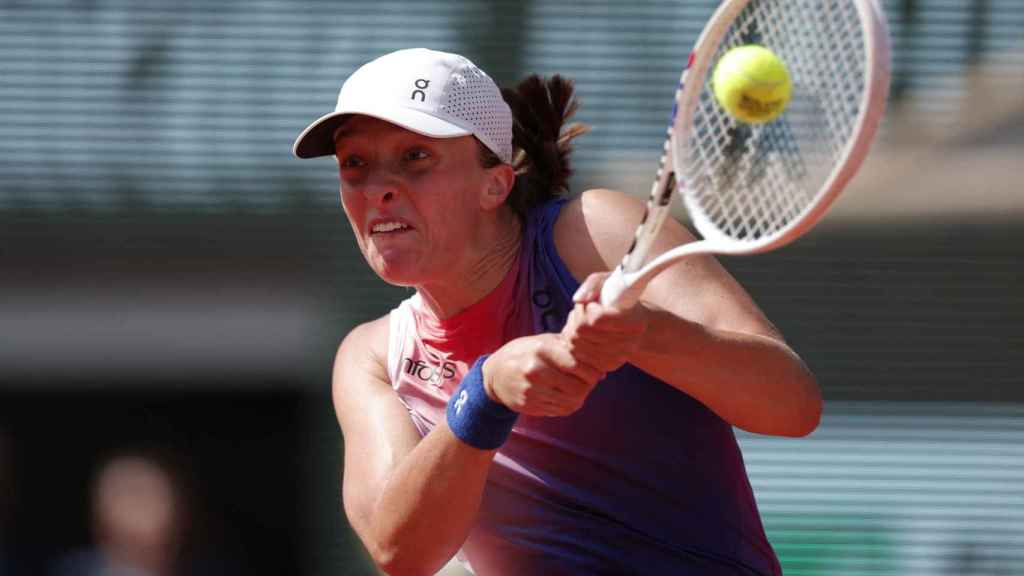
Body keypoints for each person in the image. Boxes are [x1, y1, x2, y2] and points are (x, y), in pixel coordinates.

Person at [294, 48, 821, 575]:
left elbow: (792, 405)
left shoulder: (594, 233)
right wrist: (486, 392)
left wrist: (644, 335)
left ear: (495, 183)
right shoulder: (372, 357)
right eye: (354, 164)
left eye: (416, 156)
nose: (378, 190)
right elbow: (401, 553)